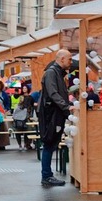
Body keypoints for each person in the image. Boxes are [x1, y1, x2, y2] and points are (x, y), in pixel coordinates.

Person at [38, 49, 74, 186]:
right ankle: (46, 176)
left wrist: (66, 106)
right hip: (51, 114)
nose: (71, 62)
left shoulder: (56, 72)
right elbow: (53, 94)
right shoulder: (52, 72)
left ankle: (47, 175)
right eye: (69, 59)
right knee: (49, 143)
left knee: (51, 143)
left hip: (53, 112)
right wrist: (67, 107)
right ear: (62, 59)